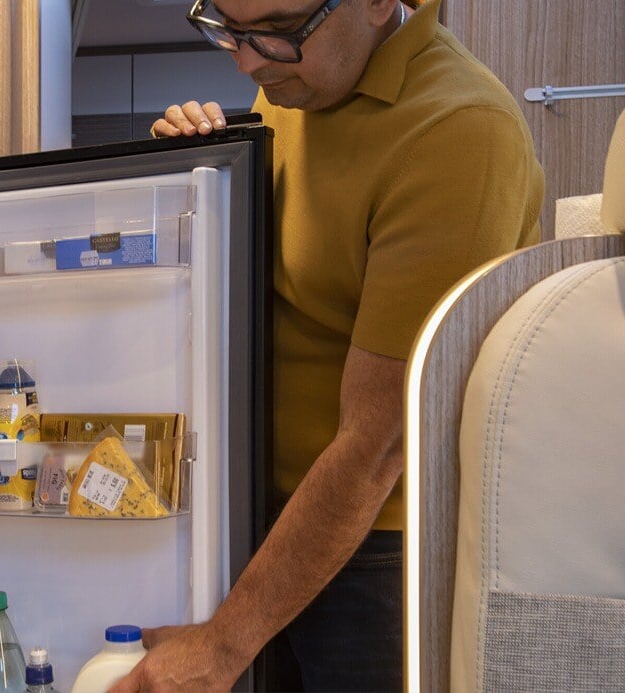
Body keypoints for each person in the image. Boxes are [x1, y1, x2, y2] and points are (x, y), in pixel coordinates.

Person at [112, 0, 544, 690]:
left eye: (278, 32)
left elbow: (379, 443)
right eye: (227, 26)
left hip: (373, 550)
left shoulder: (458, 133)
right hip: (264, 516)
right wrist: (209, 168)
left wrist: (225, 644)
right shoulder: (306, 79)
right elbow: (284, 275)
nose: (249, 60)